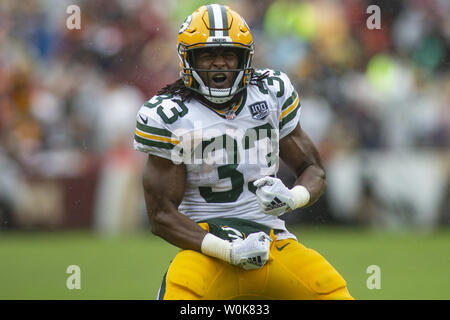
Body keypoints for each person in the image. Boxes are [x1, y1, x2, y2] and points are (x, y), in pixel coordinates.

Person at [134, 4, 353, 300]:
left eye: (228, 54)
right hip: (206, 246)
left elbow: (313, 170)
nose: (219, 64)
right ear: (188, 58)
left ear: (245, 57)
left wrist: (292, 197)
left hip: (270, 241)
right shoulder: (169, 115)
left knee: (330, 291)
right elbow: (160, 216)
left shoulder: (271, 92)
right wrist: (229, 250)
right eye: (208, 55)